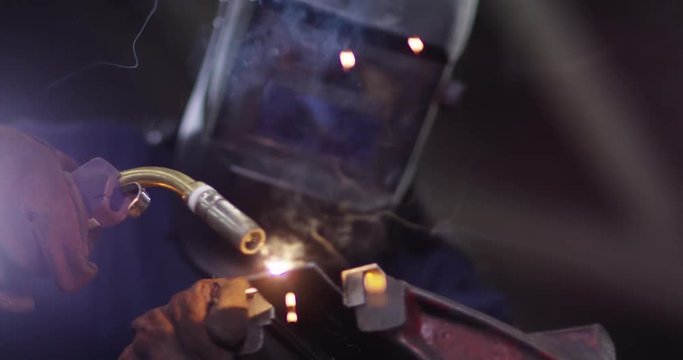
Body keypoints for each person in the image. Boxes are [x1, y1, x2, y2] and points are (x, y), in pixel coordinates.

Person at [0, 0, 505, 359]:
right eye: (297, 44)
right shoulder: (69, 171)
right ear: (232, 34)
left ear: (432, 98)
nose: (326, 95)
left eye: (376, 71)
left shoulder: (439, 302)